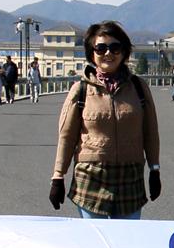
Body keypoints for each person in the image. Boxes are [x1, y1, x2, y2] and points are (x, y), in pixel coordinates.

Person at [47, 22, 161, 219]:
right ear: (92, 53)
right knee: (93, 237)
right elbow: (67, 136)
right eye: (101, 48)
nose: (108, 53)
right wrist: (58, 176)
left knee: (127, 237)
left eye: (115, 48)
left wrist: (154, 169)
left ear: (124, 52)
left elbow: (150, 132)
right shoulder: (80, 90)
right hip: (90, 177)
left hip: (130, 176)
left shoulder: (139, 88)